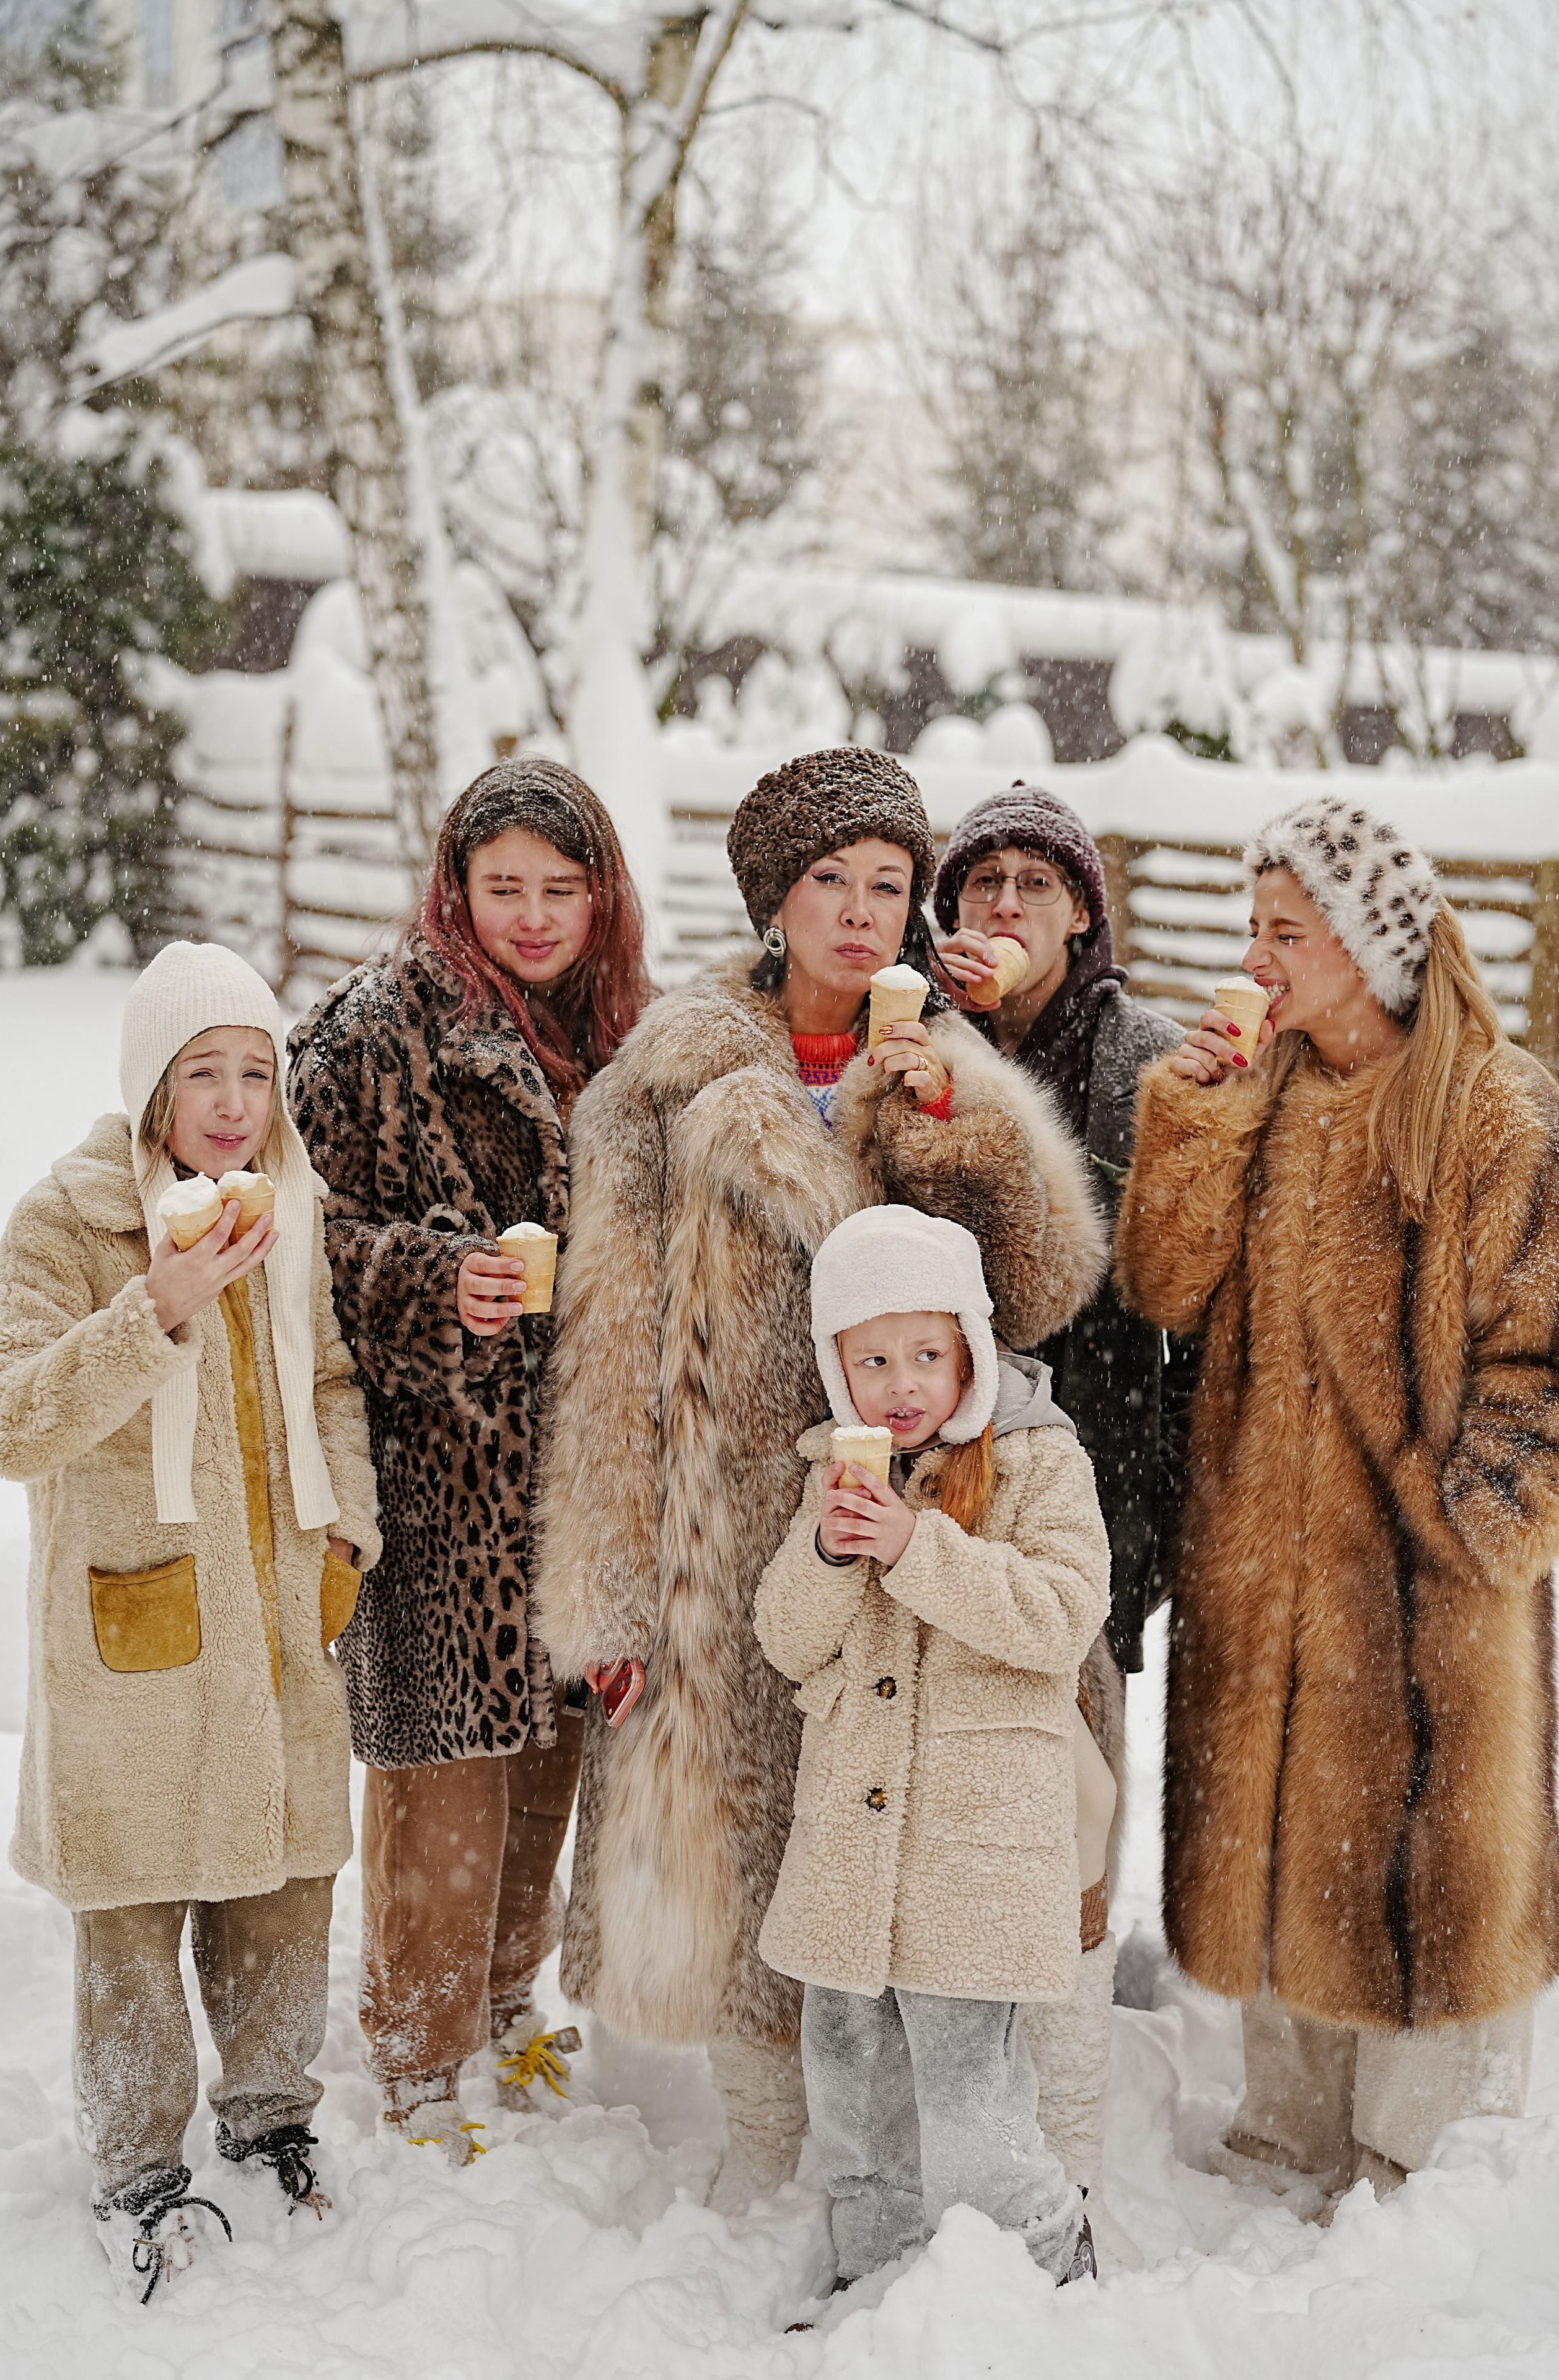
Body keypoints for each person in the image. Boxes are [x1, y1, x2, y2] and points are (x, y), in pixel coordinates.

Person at [532, 746, 1107, 2209]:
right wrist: (609, 1597)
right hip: (722, 1538)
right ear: (772, 903)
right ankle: (772, 2164)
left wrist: (952, 1137)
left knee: (890, 1864)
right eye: (828, 882)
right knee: (736, 1864)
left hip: (909, 1527)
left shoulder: (946, 1066)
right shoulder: (658, 1084)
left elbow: (1037, 1294)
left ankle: (901, 2170)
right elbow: (604, 1357)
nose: (860, 912)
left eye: (888, 884)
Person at [1113, 796, 1559, 2204]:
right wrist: (1194, 1120)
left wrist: (1473, 1523)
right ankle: (1288, 2130)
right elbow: (1162, 1286)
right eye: (1251, 927)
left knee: (1427, 1862)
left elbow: (1540, 1349)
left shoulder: (1490, 1107)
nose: (1254, 958)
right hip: (1259, 1566)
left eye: (1285, 933)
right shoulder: (1262, 1092)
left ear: (1369, 945)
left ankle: (1425, 2167)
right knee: (1275, 1844)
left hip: (1426, 1577)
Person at [0, 941, 379, 2300]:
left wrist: (348, 1535)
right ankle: (139, 2165)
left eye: (257, 1073)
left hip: (280, 1614)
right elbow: (9, 1422)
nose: (234, 1103)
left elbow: (330, 1383)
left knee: (285, 1888)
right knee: (134, 1915)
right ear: (153, 1084)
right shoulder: (68, 1220)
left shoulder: (290, 1211)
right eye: (205, 1073)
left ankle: (271, 2118)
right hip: (133, 1630)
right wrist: (158, 1304)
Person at [288, 759, 651, 2162]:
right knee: (441, 1777)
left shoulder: (623, 1037)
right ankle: (418, 2058)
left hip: (576, 1469)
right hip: (438, 1473)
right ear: (456, 888)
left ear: (602, 897)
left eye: (562, 889)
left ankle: (505, 2005)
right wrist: (434, 1282)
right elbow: (303, 1235)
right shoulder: (371, 1032)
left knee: (545, 1763)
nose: (534, 917)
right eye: (505, 888)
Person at [754, 1205, 1109, 2301]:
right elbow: (787, 1639)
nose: (901, 1385)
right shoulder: (834, 1475)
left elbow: (1062, 1614)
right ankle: (875, 2281)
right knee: (853, 2099)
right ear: (836, 1366)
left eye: (926, 1355)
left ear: (970, 1353)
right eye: (872, 1361)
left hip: (974, 1857)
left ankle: (1053, 2264)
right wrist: (828, 1553)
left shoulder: (1040, 1462)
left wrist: (919, 1548)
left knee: (970, 2107)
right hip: (851, 1861)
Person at [932, 783, 1195, 2188]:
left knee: (1082, 1754)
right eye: (983, 883)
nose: (1006, 907)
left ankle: (1073, 2074)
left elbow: (1174, 1288)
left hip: (1098, 1455)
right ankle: (952, 2036)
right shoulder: (917, 1037)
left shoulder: (1142, 1058)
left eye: (1036, 884)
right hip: (937, 1446)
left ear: (1083, 912)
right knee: (951, 1749)